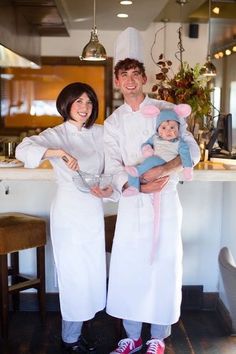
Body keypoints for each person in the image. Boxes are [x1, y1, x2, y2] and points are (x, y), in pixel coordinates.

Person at [104, 56, 200, 354]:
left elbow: (192, 149)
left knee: (163, 263)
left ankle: (157, 337)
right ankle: (132, 336)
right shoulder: (113, 122)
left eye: (136, 74)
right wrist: (141, 184)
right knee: (130, 266)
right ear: (117, 82)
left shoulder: (163, 110)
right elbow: (112, 166)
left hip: (166, 199)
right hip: (133, 203)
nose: (130, 80)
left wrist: (164, 169)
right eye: (124, 75)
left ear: (144, 78)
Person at [15, 82, 112, 353]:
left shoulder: (100, 133)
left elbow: (114, 165)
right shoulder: (55, 134)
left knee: (93, 273)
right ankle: (69, 339)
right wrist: (57, 152)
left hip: (93, 208)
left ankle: (84, 328)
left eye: (89, 102)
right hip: (68, 212)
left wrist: (108, 188)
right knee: (74, 276)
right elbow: (23, 150)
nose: (84, 107)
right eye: (78, 101)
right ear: (66, 104)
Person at [123, 104, 193, 196]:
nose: (168, 131)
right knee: (133, 172)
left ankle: (137, 171)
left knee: (149, 162)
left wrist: (188, 169)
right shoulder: (155, 138)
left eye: (172, 127)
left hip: (165, 162)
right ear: (158, 130)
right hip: (153, 164)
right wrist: (147, 149)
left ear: (178, 129)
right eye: (163, 128)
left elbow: (186, 156)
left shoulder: (180, 142)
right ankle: (134, 188)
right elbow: (146, 144)